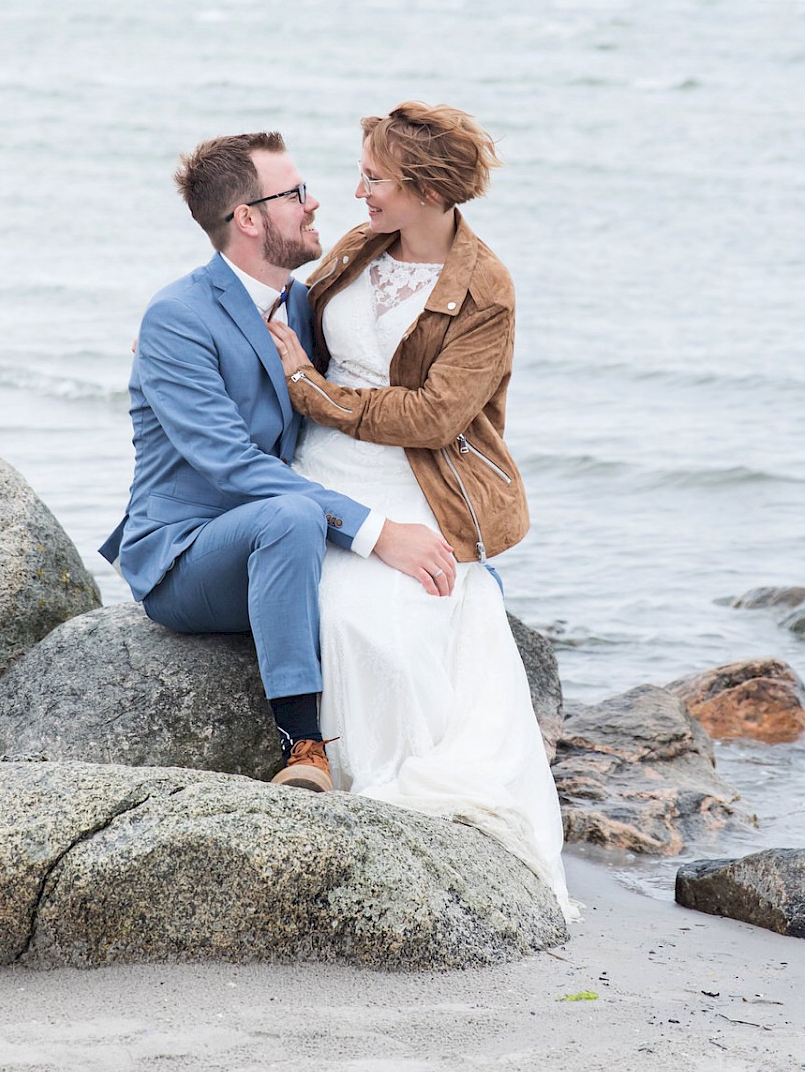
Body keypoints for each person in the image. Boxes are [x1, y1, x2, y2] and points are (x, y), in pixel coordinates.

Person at [267, 102, 574, 920]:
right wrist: (197, 332)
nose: (357, 191)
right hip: (322, 465)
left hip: (419, 478)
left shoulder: (486, 289)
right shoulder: (363, 246)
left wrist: (314, 393)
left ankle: (406, 822)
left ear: (429, 190)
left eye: (376, 178)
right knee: (335, 602)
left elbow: (435, 416)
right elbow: (290, 314)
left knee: (396, 621)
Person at [99, 131, 457, 792]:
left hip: (284, 538)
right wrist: (380, 533)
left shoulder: (303, 305)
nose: (316, 202)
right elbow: (233, 466)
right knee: (293, 516)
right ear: (248, 219)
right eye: (295, 194)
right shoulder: (178, 317)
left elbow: (348, 394)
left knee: (405, 591)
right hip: (186, 552)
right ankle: (304, 747)